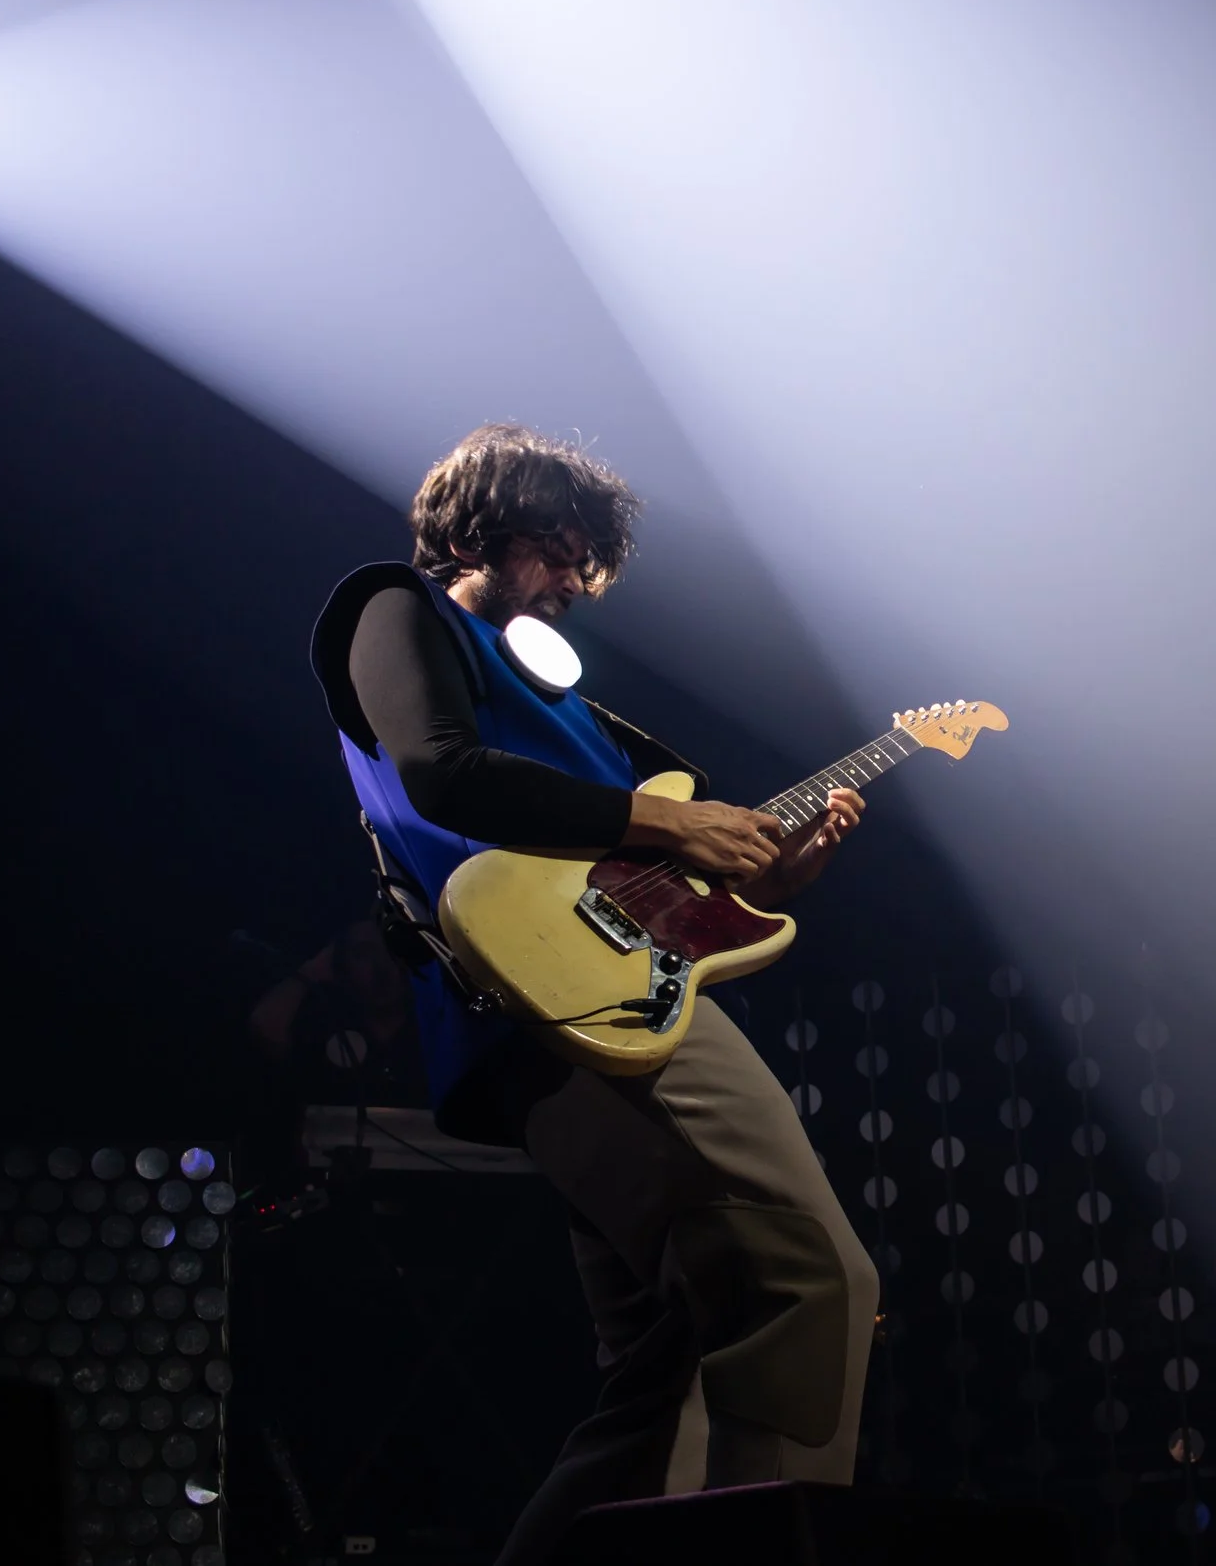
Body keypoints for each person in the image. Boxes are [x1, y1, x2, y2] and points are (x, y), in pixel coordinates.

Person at [307, 423, 879, 1564]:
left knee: (663, 1372)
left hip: (599, 1002)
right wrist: (668, 816)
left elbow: (630, 873)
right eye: (564, 548)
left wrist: (765, 872)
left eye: (586, 563)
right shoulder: (400, 610)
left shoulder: (574, 709)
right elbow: (440, 770)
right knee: (808, 1273)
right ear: (491, 517)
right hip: (546, 1006)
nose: (575, 581)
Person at [245, 916, 432, 1109]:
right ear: (341, 967)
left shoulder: (435, 1033)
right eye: (363, 953)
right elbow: (264, 1027)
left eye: (391, 951)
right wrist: (312, 970)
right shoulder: (322, 1031)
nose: (381, 967)